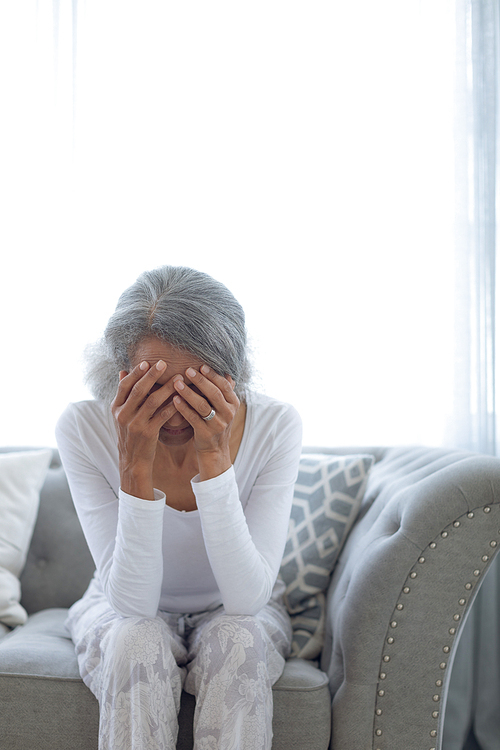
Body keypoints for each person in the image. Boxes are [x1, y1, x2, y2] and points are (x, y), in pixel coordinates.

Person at [56, 265, 302, 750]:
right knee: (135, 640)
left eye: (193, 388)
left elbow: (246, 600)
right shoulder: (84, 427)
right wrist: (134, 465)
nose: (171, 410)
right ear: (119, 375)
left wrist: (215, 457)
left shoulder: (276, 426)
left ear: (231, 377)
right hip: (116, 605)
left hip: (233, 607)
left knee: (241, 641)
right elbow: (131, 606)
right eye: (151, 387)